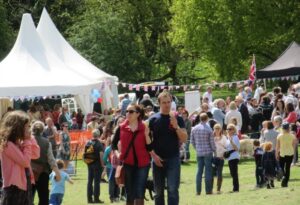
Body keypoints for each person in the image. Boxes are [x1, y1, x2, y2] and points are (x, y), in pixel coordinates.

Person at [148, 91, 187, 205]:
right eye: (164, 102)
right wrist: (153, 156)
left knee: (172, 190)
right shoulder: (153, 119)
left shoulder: (177, 119)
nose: (167, 104)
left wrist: (176, 127)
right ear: (159, 103)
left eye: (169, 102)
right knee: (158, 192)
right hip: (157, 159)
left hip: (173, 158)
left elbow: (184, 138)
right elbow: (147, 141)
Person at [112, 104, 151, 205]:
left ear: (138, 114)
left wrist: (147, 135)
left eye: (131, 111)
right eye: (127, 111)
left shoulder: (144, 127)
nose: (127, 114)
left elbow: (150, 147)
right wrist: (117, 154)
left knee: (140, 191)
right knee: (129, 192)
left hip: (143, 164)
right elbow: (113, 144)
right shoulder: (121, 128)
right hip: (128, 163)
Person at [0, 111, 40, 205]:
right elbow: (25, 161)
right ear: (17, 127)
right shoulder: (8, 145)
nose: (28, 129)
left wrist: (30, 138)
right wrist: (26, 140)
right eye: (26, 127)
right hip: (14, 188)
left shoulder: (19, 143)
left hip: (25, 185)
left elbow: (36, 154)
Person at [31, 121, 61, 205]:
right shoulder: (46, 142)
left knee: (28, 199)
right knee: (43, 199)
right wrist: (57, 173)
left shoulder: (26, 140)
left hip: (29, 173)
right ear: (42, 130)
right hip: (43, 173)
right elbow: (51, 160)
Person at [191, 113, 216, 195]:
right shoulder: (209, 129)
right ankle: (208, 191)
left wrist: (196, 148)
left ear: (200, 119)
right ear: (207, 119)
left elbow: (192, 142)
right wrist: (214, 150)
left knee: (199, 171)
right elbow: (212, 142)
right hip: (208, 152)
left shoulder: (194, 128)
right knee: (208, 171)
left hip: (199, 152)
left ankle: (198, 191)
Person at [85, 129, 105, 203]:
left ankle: (89, 199)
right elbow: (101, 155)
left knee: (90, 181)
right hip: (97, 165)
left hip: (89, 164)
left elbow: (85, 154)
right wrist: (102, 164)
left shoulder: (88, 142)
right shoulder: (99, 144)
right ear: (99, 135)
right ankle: (96, 199)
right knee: (96, 182)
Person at [276, 122, 297, 187]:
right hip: (290, 153)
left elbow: (277, 146)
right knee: (288, 168)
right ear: (289, 128)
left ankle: (283, 177)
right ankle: (285, 182)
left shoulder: (279, 136)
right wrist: (293, 153)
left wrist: (276, 153)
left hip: (282, 153)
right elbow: (294, 145)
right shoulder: (293, 136)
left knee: (281, 167)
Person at [103, 137, 119, 203]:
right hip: (118, 167)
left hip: (110, 167)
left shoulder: (108, 149)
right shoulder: (118, 148)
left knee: (111, 182)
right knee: (117, 181)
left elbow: (104, 159)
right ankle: (117, 196)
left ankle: (111, 197)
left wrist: (107, 164)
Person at [212, 124, 227, 194]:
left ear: (220, 129)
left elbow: (226, 147)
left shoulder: (224, 137)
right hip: (213, 158)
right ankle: (210, 188)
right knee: (212, 174)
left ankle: (218, 189)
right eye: (216, 128)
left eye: (218, 128)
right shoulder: (211, 137)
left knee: (219, 174)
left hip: (221, 158)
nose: (217, 130)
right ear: (214, 129)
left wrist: (223, 155)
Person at [225, 124, 240, 192]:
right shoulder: (228, 137)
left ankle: (236, 188)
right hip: (230, 157)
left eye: (230, 129)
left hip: (234, 156)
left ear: (234, 130)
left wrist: (231, 142)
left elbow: (237, 149)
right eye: (228, 129)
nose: (228, 130)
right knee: (232, 173)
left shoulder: (235, 137)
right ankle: (235, 187)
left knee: (234, 173)